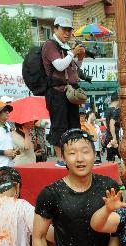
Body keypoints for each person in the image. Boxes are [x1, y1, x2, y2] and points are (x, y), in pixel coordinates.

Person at [41, 16, 86, 166]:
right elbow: (59, 66)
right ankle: (61, 158)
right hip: (56, 91)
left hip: (69, 91)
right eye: (64, 29)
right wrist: (73, 53)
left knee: (74, 124)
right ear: (55, 29)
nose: (67, 33)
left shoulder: (66, 47)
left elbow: (76, 67)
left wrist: (80, 57)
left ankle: (72, 156)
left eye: (69, 30)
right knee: (59, 125)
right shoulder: (50, 45)